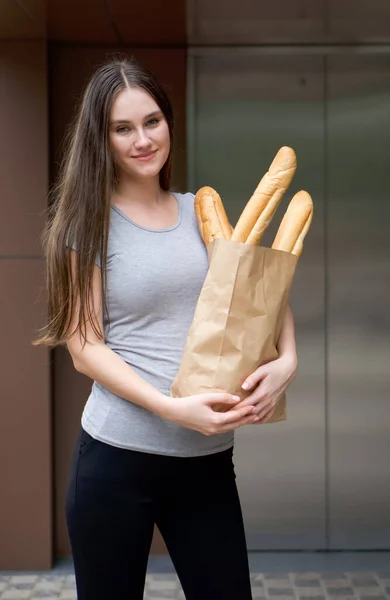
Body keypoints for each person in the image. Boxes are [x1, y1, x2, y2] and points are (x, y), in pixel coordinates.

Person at [35, 56, 298, 600]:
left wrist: (286, 363)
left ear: (169, 122)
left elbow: (263, 298)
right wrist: (171, 408)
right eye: (122, 128)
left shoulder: (203, 212)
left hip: (206, 464)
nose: (142, 140)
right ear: (100, 139)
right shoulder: (88, 226)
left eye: (152, 121)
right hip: (115, 462)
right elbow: (84, 348)